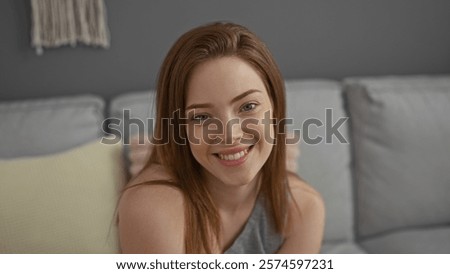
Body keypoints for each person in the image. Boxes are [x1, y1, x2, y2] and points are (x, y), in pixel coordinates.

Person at [117, 22, 325, 254]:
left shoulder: (303, 207)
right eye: (202, 117)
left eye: (248, 106)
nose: (230, 134)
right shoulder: (149, 206)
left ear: (275, 108)